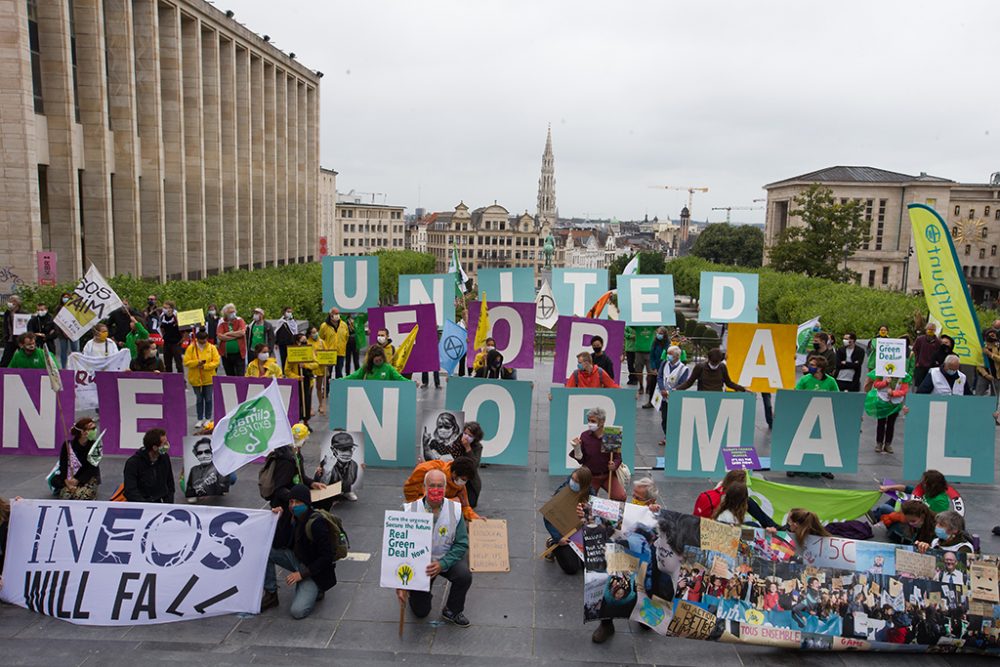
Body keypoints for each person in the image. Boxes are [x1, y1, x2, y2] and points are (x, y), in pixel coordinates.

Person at [397, 468, 472, 628]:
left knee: (464, 575)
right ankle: (418, 593)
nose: (436, 490)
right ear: (424, 488)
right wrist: (401, 583)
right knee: (421, 612)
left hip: (445, 559)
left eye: (440, 486)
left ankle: (453, 610)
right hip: (420, 565)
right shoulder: (409, 511)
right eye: (432, 485)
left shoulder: (456, 510)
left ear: (445, 489)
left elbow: (461, 544)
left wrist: (443, 564)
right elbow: (399, 548)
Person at [261, 484, 337, 619]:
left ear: (307, 503)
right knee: (265, 551)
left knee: (297, 611)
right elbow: (278, 544)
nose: (294, 505)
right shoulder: (292, 517)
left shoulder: (316, 523)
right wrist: (280, 521)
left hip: (315, 571)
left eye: (298, 502)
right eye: (291, 502)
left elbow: (327, 557)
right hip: (298, 560)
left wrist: (302, 574)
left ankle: (318, 589)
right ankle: (271, 593)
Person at [542, 466, 593, 574]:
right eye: (572, 479)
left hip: (579, 531)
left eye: (576, 481)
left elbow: (594, 517)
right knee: (571, 568)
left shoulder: (590, 494)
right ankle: (552, 543)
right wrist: (558, 537)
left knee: (588, 565)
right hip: (563, 534)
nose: (573, 482)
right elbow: (548, 517)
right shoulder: (562, 493)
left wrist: (586, 514)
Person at [569, 406, 625, 501]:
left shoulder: (611, 435)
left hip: (608, 475)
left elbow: (618, 457)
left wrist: (614, 465)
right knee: (586, 501)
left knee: (621, 496)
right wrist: (577, 448)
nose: (590, 423)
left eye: (593, 421)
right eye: (589, 420)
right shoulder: (585, 435)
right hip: (590, 476)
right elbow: (581, 460)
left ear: (602, 421)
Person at [402, 457, 481, 522]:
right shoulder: (425, 470)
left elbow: (465, 507)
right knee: (455, 502)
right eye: (463, 479)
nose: (464, 482)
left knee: (457, 502)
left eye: (465, 480)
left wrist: (476, 519)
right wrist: (413, 511)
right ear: (454, 473)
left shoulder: (460, 484)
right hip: (423, 503)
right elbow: (410, 491)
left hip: (441, 507)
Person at [692, 470, 777, 528]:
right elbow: (696, 523)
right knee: (753, 526)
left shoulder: (725, 498)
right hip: (713, 532)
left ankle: (772, 526)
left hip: (724, 529)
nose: (745, 487)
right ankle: (772, 527)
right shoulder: (709, 498)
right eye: (744, 485)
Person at [51, 418, 101, 500]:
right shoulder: (67, 445)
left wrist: (78, 480)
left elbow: (92, 468)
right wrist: (67, 481)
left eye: (95, 428)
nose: (95, 431)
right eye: (92, 429)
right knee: (65, 496)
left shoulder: (95, 446)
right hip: (70, 476)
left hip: (87, 477)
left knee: (81, 497)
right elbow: (63, 465)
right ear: (83, 432)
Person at [864, 365, 910, 454]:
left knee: (891, 423)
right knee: (881, 422)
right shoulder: (882, 371)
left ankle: (888, 444)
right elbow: (876, 384)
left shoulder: (903, 376)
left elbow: (904, 390)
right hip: (882, 400)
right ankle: (879, 443)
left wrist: (893, 393)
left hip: (895, 403)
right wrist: (885, 382)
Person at [122, 428, 175, 503]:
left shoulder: (165, 458)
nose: (167, 445)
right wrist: (146, 506)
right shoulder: (133, 463)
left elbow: (170, 483)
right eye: (164, 444)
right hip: (139, 503)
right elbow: (130, 490)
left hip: (158, 501)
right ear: (155, 448)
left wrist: (168, 505)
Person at [184, 329, 220, 429]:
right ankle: (199, 418)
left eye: (204, 340)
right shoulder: (191, 348)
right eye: (200, 340)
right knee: (199, 399)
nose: (203, 342)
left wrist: (205, 366)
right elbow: (186, 362)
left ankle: (208, 418)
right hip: (196, 378)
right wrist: (196, 363)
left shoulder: (212, 348)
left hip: (208, 378)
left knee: (208, 398)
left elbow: (216, 361)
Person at [656, 345, 691, 446]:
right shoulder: (664, 363)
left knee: (673, 418)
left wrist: (671, 391)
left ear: (676, 356)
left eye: (670, 354)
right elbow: (660, 376)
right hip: (663, 395)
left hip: (674, 396)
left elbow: (683, 383)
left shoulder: (683, 369)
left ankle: (671, 437)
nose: (668, 356)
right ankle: (666, 436)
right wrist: (662, 389)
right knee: (664, 418)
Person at [876, 469, 953, 514]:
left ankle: (877, 515)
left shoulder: (940, 501)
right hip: (912, 514)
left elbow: (931, 516)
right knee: (897, 496)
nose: (921, 483)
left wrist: (910, 506)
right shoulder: (927, 490)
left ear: (931, 485)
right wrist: (889, 487)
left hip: (917, 521)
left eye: (924, 482)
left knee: (884, 508)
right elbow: (907, 488)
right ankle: (875, 516)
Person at [674, 348, 747, 392]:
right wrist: (676, 390)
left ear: (720, 361)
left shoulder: (722, 367)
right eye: (713, 363)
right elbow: (689, 383)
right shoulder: (700, 367)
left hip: (718, 398)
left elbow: (729, 383)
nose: (715, 365)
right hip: (702, 398)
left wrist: (743, 389)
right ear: (708, 359)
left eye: (717, 363)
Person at [316, 431, 361, 501]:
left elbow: (352, 480)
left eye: (349, 449)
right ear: (333, 450)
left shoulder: (354, 465)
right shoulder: (326, 462)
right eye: (342, 449)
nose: (347, 453)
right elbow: (321, 483)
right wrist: (327, 470)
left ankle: (346, 491)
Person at [284, 332, 316, 426]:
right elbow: (287, 370)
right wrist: (297, 377)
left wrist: (306, 365)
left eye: (304, 342)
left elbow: (316, 364)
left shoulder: (309, 351)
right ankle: (295, 422)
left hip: (307, 380)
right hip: (296, 382)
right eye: (301, 342)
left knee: (306, 401)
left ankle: (306, 422)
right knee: (296, 403)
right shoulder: (292, 353)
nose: (303, 344)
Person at [456, 422, 484, 508]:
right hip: (455, 478)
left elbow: (474, 465)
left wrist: (468, 448)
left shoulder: (477, 447)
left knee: (469, 504)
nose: (466, 437)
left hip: (470, 482)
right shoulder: (456, 443)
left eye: (470, 435)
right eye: (465, 433)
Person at [342, 345, 408, 381]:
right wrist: (339, 380)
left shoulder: (388, 368)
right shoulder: (366, 367)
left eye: (380, 360)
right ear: (371, 360)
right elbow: (354, 376)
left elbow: (399, 378)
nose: (379, 362)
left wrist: (412, 383)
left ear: (383, 358)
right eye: (376, 361)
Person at [216, 303, 247, 376]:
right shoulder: (222, 322)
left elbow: (242, 332)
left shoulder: (240, 320)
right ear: (225, 313)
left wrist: (227, 334)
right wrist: (235, 335)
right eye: (230, 312)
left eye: (233, 311)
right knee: (230, 375)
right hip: (226, 355)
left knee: (240, 374)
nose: (233, 313)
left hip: (239, 354)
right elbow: (220, 336)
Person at [319, 308, 350, 378]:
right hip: (329, 353)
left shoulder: (344, 325)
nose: (337, 315)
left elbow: (346, 337)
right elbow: (320, 339)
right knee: (328, 373)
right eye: (335, 314)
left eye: (338, 313)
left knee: (339, 373)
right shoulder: (324, 326)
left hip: (340, 352)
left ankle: (338, 388)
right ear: (330, 314)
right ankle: (327, 388)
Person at [645, 326, 670, 408]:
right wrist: (654, 368)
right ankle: (650, 402)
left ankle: (663, 403)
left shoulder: (668, 343)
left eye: (661, 333)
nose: (659, 335)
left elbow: (668, 356)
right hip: (655, 367)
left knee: (664, 386)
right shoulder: (654, 342)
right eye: (658, 333)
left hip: (664, 368)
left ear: (665, 334)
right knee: (652, 384)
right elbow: (651, 356)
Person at [52, 293, 79, 368]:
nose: (66, 299)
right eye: (64, 297)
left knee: (75, 351)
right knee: (63, 352)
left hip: (73, 332)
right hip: (62, 334)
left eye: (67, 297)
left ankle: (76, 366)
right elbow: (56, 321)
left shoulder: (74, 307)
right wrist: (62, 331)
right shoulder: (58, 308)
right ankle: (64, 367)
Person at [308, 326, 330, 415]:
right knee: (310, 388)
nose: (315, 334)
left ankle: (321, 405)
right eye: (313, 332)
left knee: (319, 387)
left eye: (316, 331)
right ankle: (310, 407)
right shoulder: (307, 342)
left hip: (320, 367)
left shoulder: (321, 342)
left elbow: (327, 354)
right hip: (311, 368)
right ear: (309, 334)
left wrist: (327, 367)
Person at [158, 301, 183, 372]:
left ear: (171, 308)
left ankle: (181, 380)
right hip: (167, 343)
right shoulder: (162, 316)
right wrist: (164, 337)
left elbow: (185, 329)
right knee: (167, 364)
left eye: (166, 308)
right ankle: (168, 380)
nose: (164, 309)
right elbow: (161, 327)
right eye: (164, 307)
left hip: (176, 343)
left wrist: (182, 340)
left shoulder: (177, 316)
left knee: (178, 363)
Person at [1, 295, 24, 367]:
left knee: (23, 356)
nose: (9, 303)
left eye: (12, 301)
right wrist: (6, 336)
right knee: (5, 359)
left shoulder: (22, 313)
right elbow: (5, 325)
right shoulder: (7, 313)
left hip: (20, 339)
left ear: (16, 303)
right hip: (10, 339)